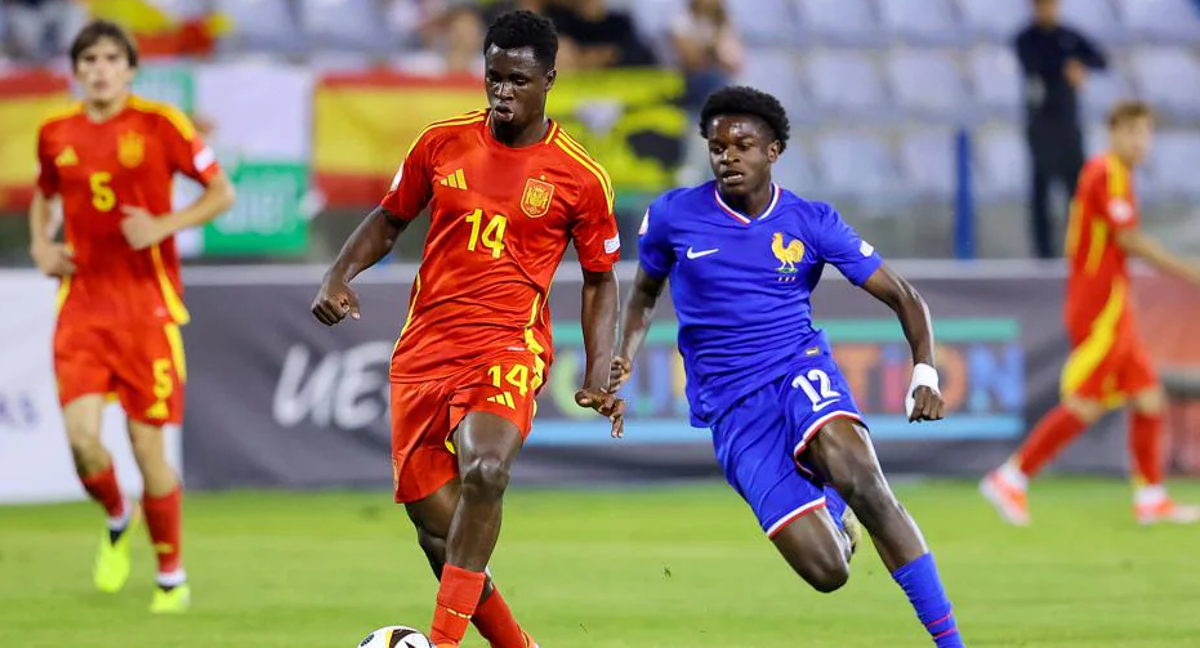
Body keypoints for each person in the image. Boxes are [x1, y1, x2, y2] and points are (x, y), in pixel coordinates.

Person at [311, 10, 624, 648]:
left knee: (485, 469)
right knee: (439, 533)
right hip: (423, 352)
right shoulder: (440, 143)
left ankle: (441, 642)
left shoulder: (580, 177)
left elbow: (600, 279)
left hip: (508, 345)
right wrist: (340, 275)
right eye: (493, 78)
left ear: (550, 81)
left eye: (518, 80)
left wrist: (597, 370)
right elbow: (390, 217)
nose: (503, 92)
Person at [610, 86, 965, 647]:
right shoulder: (674, 216)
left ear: (773, 151)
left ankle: (951, 642)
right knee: (829, 571)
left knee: (868, 483)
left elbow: (902, 295)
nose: (728, 157)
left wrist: (926, 371)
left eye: (743, 145)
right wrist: (623, 355)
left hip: (799, 368)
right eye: (718, 146)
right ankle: (829, 503)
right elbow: (644, 294)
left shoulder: (811, 221)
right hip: (732, 409)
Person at [28, 20, 235, 612]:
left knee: (149, 453)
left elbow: (221, 193)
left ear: (130, 68)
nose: (99, 68)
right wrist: (43, 246)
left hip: (148, 312)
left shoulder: (160, 124)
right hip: (82, 309)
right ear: (76, 68)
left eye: (111, 58)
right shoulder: (54, 132)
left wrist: (162, 226)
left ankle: (171, 575)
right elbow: (44, 194)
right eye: (88, 58)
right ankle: (119, 515)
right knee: (83, 443)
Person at [981, 101, 1200, 527]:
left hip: (1114, 305)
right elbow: (1129, 240)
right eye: (1133, 132)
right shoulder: (1104, 173)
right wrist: (1190, 272)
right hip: (1099, 311)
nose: (1141, 142)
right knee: (1087, 402)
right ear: (1114, 133)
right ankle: (1012, 476)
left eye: (1146, 133)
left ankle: (1151, 496)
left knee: (1148, 395)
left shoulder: (1119, 177)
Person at [1015, 0, 1107, 259]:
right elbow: (1034, 64)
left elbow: (1100, 58)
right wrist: (1067, 66)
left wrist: (1081, 66)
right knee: (1041, 191)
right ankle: (1043, 252)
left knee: (1077, 191)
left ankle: (1080, 246)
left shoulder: (1070, 37)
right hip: (1041, 125)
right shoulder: (1026, 38)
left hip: (1068, 125)